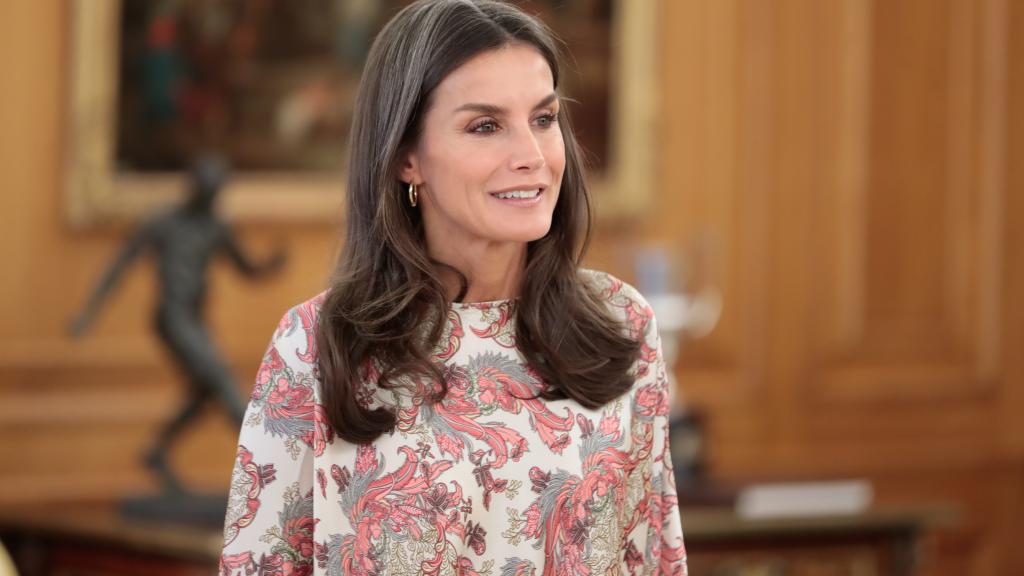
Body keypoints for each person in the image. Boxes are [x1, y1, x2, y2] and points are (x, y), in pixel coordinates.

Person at [219, 0, 687, 574]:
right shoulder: (315, 346)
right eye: (485, 126)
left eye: (543, 118)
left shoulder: (619, 325)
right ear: (405, 157)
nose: (532, 156)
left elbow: (654, 559)